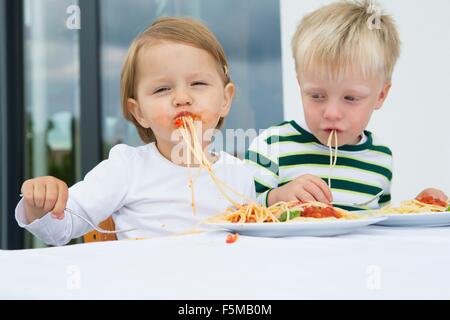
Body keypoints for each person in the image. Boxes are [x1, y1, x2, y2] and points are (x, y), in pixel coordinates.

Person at [16, 17, 255, 245]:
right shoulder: (127, 168)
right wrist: (41, 206)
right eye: (162, 89)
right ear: (139, 112)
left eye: (198, 84)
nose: (182, 98)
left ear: (225, 99)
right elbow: (63, 228)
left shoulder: (239, 175)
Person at [245, 0, 447, 209]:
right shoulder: (272, 145)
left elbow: (380, 221)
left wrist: (419, 206)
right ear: (300, 86)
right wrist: (277, 198)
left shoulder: (380, 158)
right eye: (317, 95)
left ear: (380, 96)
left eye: (350, 98)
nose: (332, 113)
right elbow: (239, 209)